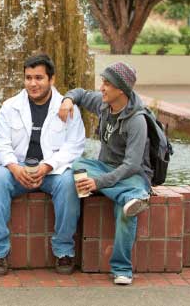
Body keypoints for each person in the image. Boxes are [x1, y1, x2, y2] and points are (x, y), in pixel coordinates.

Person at [0, 54, 85, 276]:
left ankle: (63, 250)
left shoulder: (67, 108)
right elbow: (0, 145)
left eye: (39, 78)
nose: (32, 83)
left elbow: (75, 146)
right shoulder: (10, 107)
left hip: (53, 171)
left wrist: (47, 166)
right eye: (28, 77)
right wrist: (13, 167)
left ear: (52, 79)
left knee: (69, 184)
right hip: (17, 168)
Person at [58, 62, 151, 286]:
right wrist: (68, 100)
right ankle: (131, 197)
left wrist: (98, 183)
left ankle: (122, 269)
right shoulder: (103, 104)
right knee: (78, 162)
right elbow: (79, 93)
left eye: (107, 84)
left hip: (134, 175)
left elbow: (131, 165)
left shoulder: (137, 120)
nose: (102, 88)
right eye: (103, 82)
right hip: (108, 170)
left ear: (121, 89)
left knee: (126, 213)